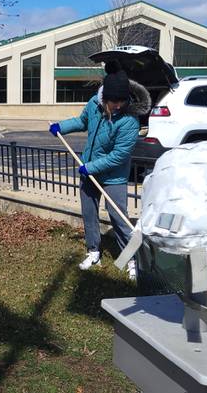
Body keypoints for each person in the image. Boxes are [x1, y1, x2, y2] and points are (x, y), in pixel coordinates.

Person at [49, 70, 147, 279]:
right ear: (105, 98)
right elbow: (82, 122)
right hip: (89, 171)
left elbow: (118, 156)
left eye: (122, 101)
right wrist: (62, 127)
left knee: (118, 217)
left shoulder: (130, 120)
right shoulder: (94, 104)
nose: (118, 106)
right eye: (114, 102)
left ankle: (131, 259)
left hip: (114, 176)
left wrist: (90, 167)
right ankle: (93, 251)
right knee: (89, 214)